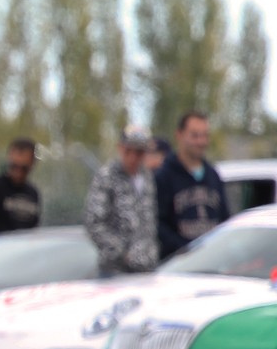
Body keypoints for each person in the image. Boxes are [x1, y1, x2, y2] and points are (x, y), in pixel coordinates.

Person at [83, 125, 159, 277]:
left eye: (139, 152)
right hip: (116, 270)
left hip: (147, 269)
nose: (132, 158)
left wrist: (151, 251)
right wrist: (122, 253)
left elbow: (150, 219)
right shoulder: (107, 177)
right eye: (128, 151)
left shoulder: (147, 178)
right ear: (120, 148)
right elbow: (94, 222)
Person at [155, 111, 230, 259]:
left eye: (205, 135)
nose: (201, 142)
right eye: (195, 135)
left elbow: (224, 218)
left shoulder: (213, 175)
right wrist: (186, 249)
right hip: (177, 264)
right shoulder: (164, 176)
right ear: (179, 135)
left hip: (211, 261)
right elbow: (158, 224)